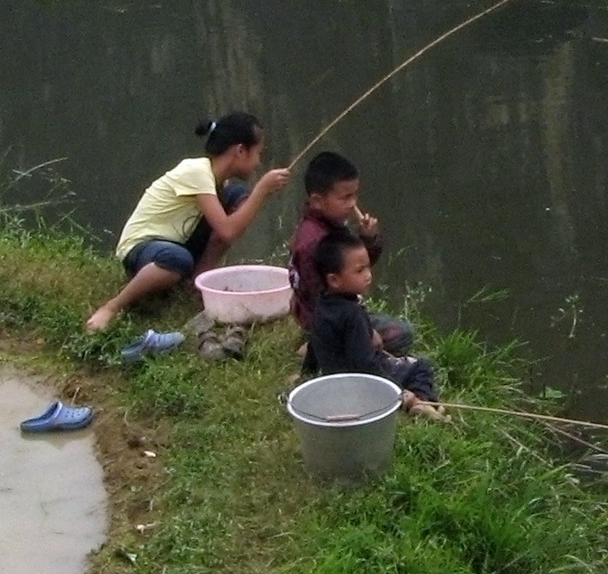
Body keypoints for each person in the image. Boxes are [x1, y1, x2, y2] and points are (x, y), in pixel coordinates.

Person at [86, 112, 291, 331]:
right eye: (258, 153)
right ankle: (112, 307)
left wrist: (257, 194)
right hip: (142, 248)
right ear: (240, 151)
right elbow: (227, 231)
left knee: (238, 195)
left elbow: (224, 232)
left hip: (175, 240)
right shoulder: (196, 172)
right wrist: (262, 189)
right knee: (178, 259)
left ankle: (195, 286)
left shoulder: (218, 182)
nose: (258, 161)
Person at [287, 151, 413, 366]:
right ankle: (317, 346)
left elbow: (353, 268)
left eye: (355, 195)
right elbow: (321, 303)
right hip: (326, 319)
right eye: (345, 198)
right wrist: (365, 330)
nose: (353, 204)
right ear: (317, 201)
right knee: (401, 334)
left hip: (336, 308)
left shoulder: (329, 223)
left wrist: (368, 238)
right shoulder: (313, 243)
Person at [308, 228, 448, 420]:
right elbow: (365, 364)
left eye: (367, 267)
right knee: (420, 366)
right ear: (334, 280)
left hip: (334, 381)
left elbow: (314, 342)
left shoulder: (322, 304)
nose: (368, 275)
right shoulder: (352, 314)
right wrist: (398, 393)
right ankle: (420, 401)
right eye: (359, 270)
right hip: (358, 388)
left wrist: (307, 373)